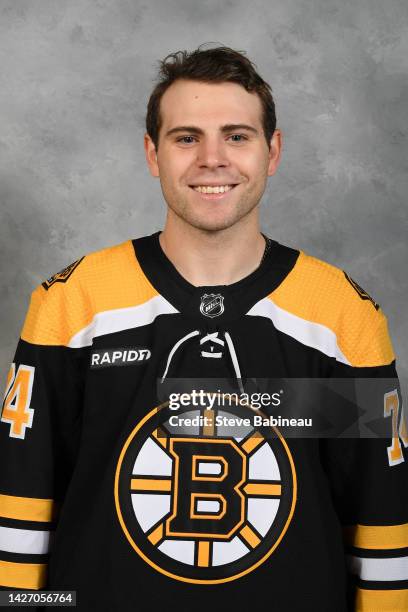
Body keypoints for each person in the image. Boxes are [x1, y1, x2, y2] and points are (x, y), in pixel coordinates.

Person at [0, 45, 407, 611]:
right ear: (152, 153)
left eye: (237, 136)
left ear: (274, 151)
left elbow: (378, 519)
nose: (212, 159)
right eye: (186, 137)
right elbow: (22, 502)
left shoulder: (340, 314)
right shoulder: (73, 304)